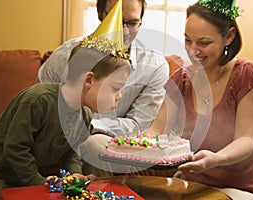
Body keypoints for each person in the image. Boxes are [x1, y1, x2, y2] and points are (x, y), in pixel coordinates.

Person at [147, 1, 253, 199]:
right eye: (187, 40)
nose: (193, 50)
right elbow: (157, 128)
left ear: (229, 36)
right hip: (194, 186)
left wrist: (215, 159)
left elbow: (247, 138)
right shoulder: (181, 80)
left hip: (246, 190)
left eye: (203, 43)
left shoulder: (248, 75)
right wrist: (133, 146)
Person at [0, 34, 131, 199]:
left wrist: (75, 173)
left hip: (35, 174)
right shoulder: (38, 100)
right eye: (115, 88)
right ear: (89, 80)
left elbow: (73, 151)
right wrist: (39, 183)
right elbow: (15, 149)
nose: (119, 96)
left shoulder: (85, 114)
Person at [36, 0, 169, 174]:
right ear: (100, 15)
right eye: (116, 19)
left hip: (109, 142)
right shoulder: (65, 56)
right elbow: (42, 110)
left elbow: (139, 125)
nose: (123, 30)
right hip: (60, 137)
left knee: (92, 144)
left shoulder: (154, 66)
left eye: (132, 23)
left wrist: (88, 126)